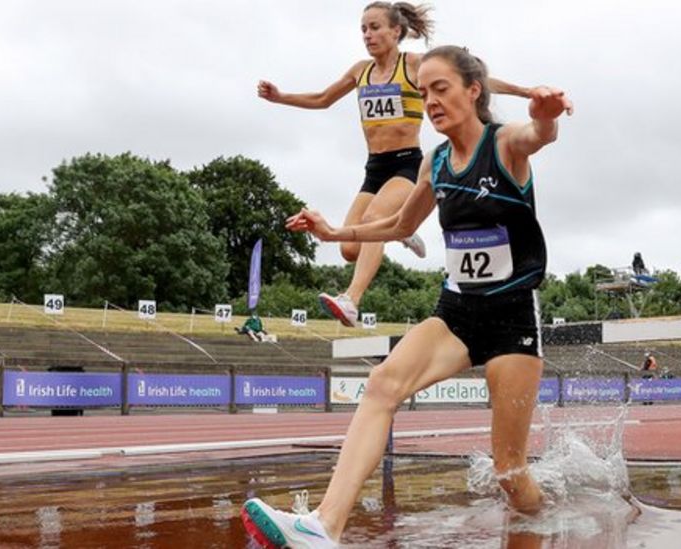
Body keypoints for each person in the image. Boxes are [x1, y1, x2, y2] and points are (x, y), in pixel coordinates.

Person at [241, 45, 572, 549]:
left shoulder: (504, 144)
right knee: (381, 385)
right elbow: (399, 224)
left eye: (441, 89)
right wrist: (333, 233)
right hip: (456, 312)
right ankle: (324, 527)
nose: (430, 101)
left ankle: (542, 526)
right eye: (424, 93)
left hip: (511, 319)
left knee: (509, 471)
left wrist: (546, 116)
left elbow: (538, 135)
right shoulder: (435, 162)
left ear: (473, 90)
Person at [257, 2, 532, 327]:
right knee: (348, 248)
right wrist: (281, 97)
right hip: (374, 169)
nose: (368, 35)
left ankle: (351, 300)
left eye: (374, 27)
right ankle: (403, 228)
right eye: (363, 29)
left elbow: (471, 78)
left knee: (374, 219)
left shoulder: (413, 64)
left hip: (406, 165)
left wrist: (526, 91)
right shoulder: (361, 71)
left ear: (396, 31)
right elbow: (322, 99)